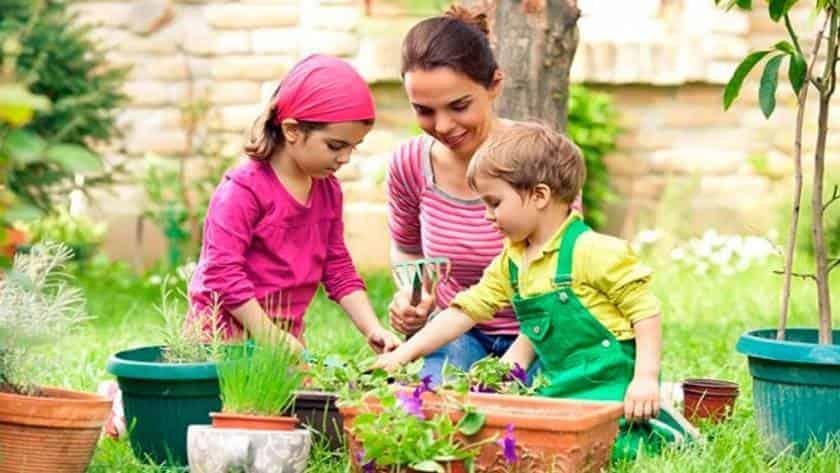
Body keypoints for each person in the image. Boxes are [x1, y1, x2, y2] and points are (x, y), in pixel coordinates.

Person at [377, 122, 680, 460]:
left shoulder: (594, 250)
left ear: (539, 196)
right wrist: (403, 355)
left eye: (494, 203)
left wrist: (645, 379)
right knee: (534, 446)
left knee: (611, 450)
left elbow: (645, 312)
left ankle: (668, 428)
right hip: (562, 385)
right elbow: (465, 312)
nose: (487, 216)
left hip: (614, 387)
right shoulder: (512, 261)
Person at [387, 5, 583, 385]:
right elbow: (408, 249)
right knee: (435, 397)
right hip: (456, 330)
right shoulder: (410, 164)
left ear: (494, 84)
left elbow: (566, 275)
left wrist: (513, 364)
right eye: (424, 111)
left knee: (541, 401)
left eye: (459, 106)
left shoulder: (540, 158)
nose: (443, 126)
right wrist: (413, 296)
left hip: (540, 332)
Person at [188, 54, 401, 354]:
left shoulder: (328, 191)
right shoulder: (243, 191)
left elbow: (337, 267)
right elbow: (221, 273)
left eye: (354, 147)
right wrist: (269, 335)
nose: (345, 158)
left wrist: (373, 328)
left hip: (283, 341)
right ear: (292, 130)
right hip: (222, 342)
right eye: (335, 146)